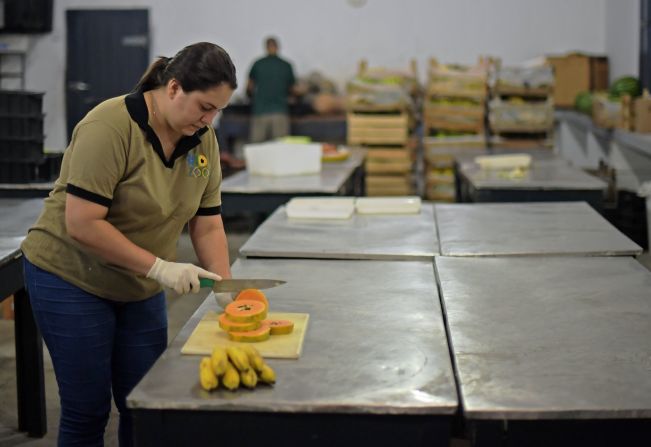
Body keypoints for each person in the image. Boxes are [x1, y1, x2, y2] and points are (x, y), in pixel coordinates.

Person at [21, 42, 237, 446]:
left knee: (145, 405)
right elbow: (83, 224)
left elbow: (206, 225)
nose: (209, 120)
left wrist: (224, 287)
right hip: (71, 277)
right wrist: (160, 267)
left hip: (138, 284)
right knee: (88, 411)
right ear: (173, 88)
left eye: (217, 111)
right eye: (204, 107)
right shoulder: (110, 126)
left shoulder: (201, 140)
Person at [247, 36, 300, 142]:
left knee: (257, 149)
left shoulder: (258, 64)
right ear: (278, 47)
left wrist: (252, 98)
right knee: (280, 149)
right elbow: (294, 90)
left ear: (266, 47)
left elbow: (249, 87)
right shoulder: (286, 65)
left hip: (260, 112)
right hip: (280, 112)